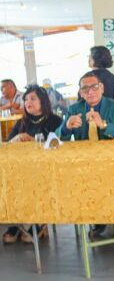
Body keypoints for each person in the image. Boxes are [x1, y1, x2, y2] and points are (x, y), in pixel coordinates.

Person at [59, 71, 114, 237]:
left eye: (94, 87)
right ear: (80, 92)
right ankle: (97, 220)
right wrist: (66, 127)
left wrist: (104, 124)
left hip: (113, 160)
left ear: (102, 88)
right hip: (85, 162)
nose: (90, 91)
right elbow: (58, 137)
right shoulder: (74, 109)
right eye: (85, 88)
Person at [3, 85, 63, 244]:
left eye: (33, 98)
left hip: (46, 170)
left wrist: (33, 141)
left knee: (35, 184)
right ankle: (20, 221)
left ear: (43, 101)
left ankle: (40, 221)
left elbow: (59, 146)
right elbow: (8, 143)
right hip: (23, 170)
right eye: (26, 99)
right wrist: (16, 140)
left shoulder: (55, 120)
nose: (28, 102)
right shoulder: (22, 121)